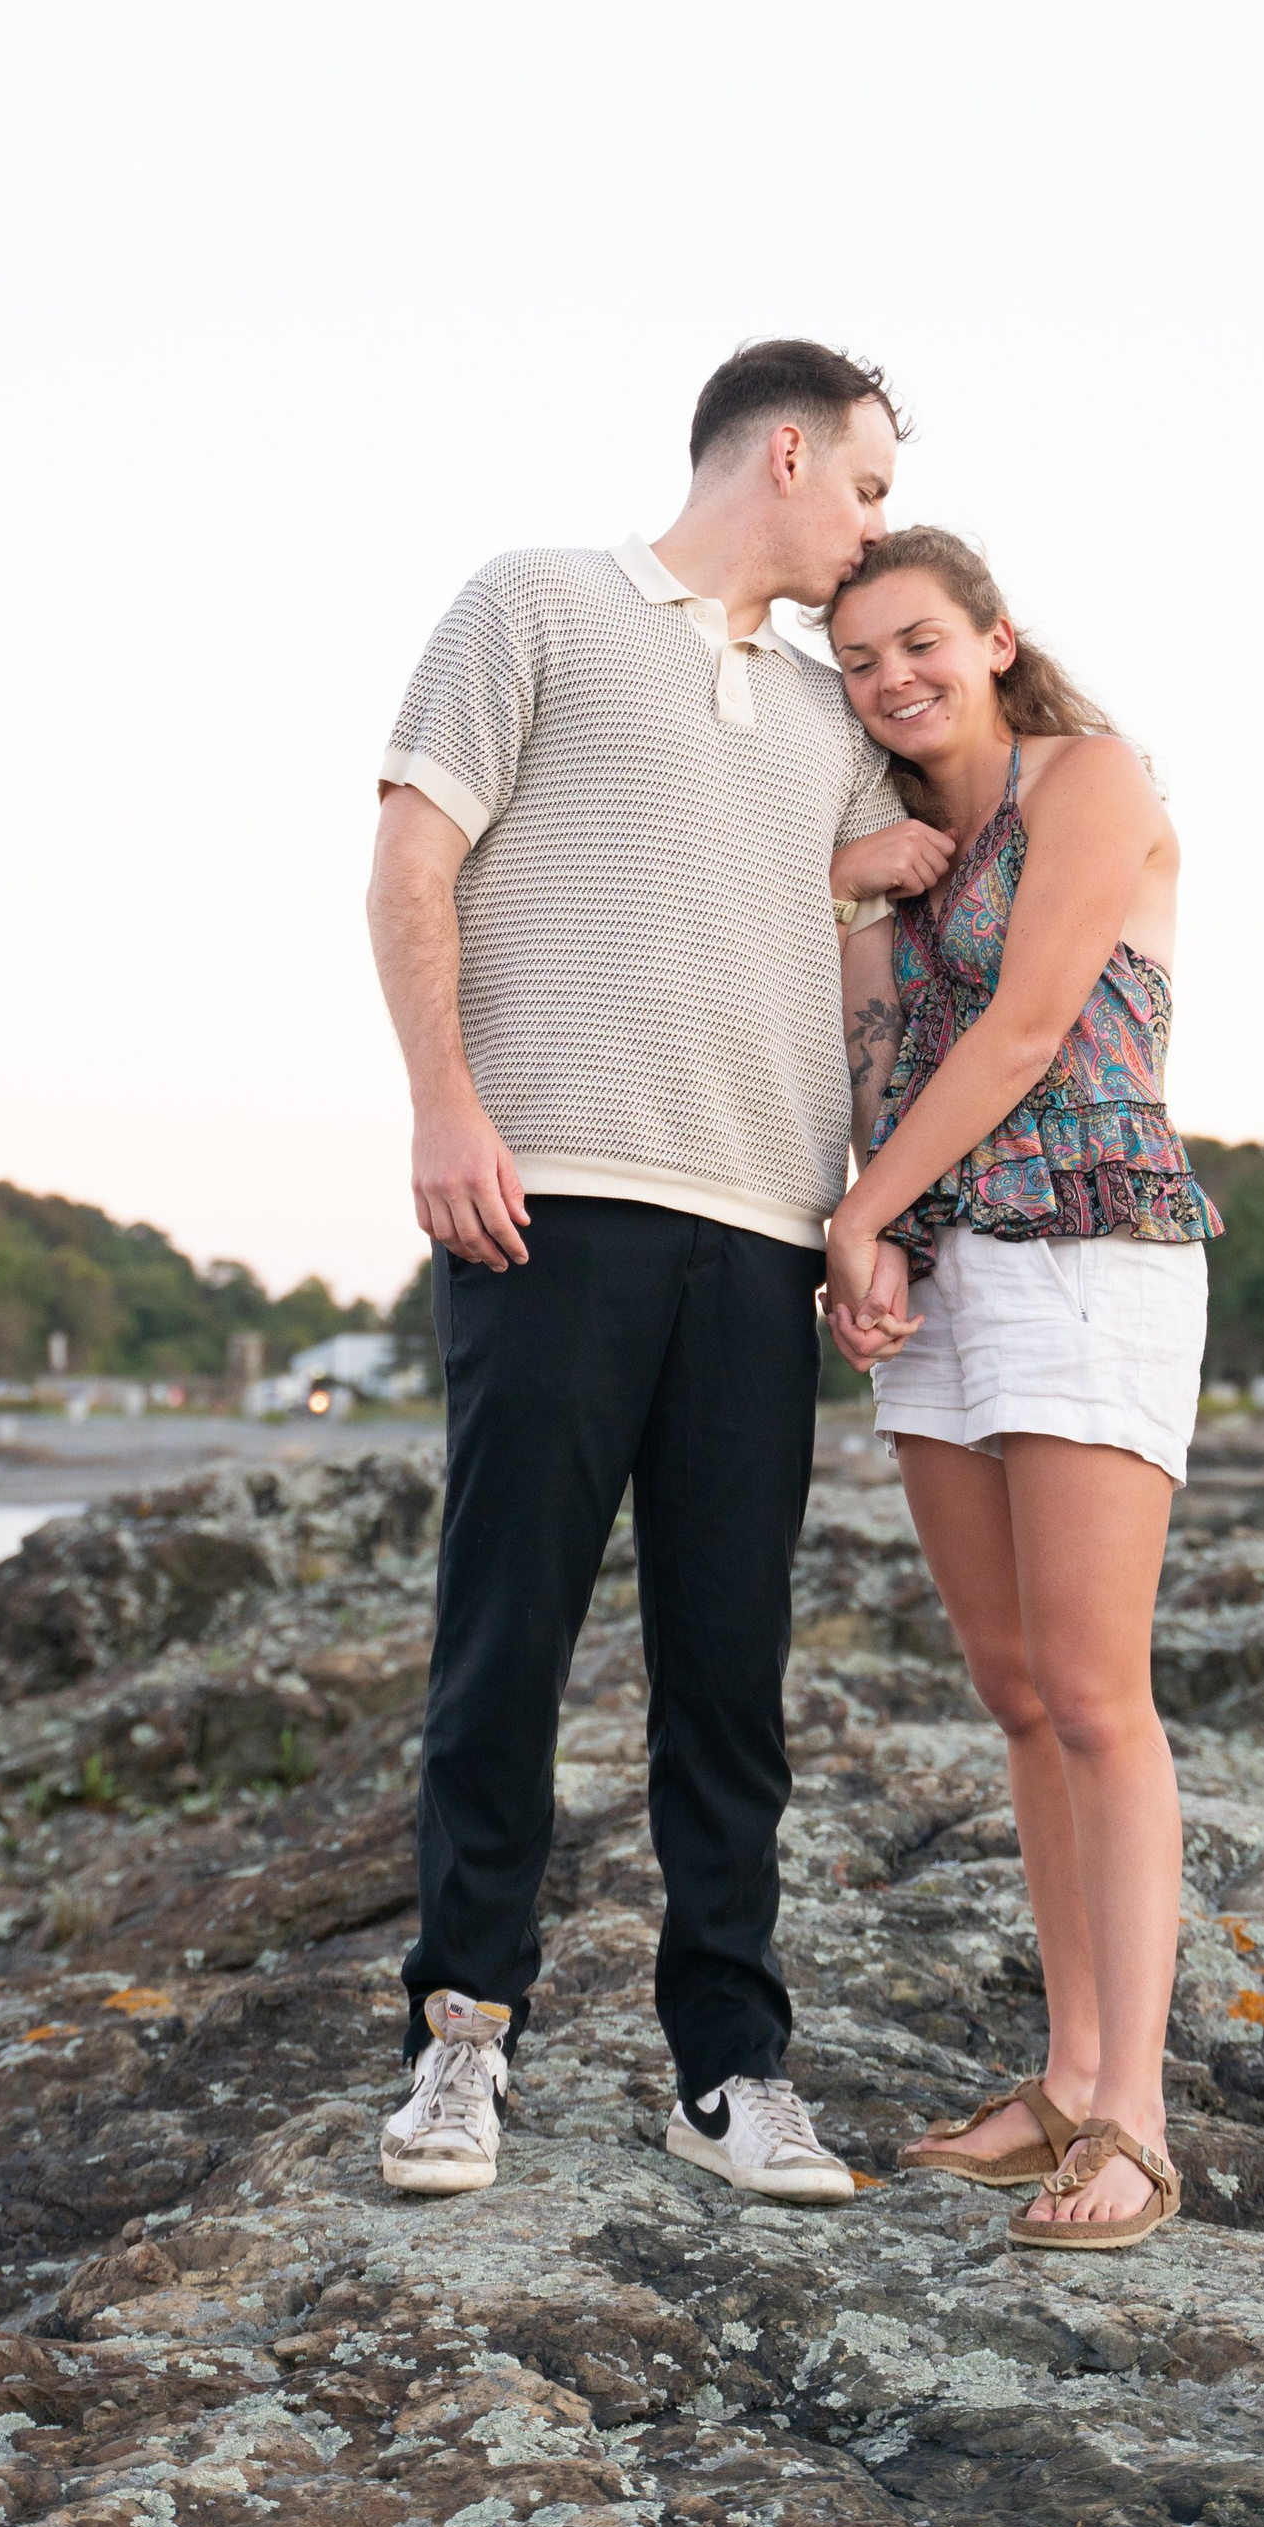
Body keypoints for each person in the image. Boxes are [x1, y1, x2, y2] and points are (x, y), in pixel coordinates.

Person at [365, 340, 950, 2209]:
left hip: (762, 1233)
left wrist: (868, 1204)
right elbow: (409, 864)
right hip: (550, 1199)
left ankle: (732, 2067)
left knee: (729, 1668)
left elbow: (860, 957)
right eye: (864, 486)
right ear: (785, 452)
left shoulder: (828, 711)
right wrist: (443, 1103)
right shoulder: (531, 603)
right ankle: (464, 2038)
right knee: (505, 1634)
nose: (874, 527)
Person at [820, 529, 1222, 2251]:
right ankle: (1062, 2077)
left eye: (917, 640)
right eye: (856, 660)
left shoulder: (1092, 777)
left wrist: (857, 1211)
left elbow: (1028, 1025)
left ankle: (1134, 2118)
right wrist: (885, 1228)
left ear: (991, 637)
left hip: (1091, 1245)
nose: (892, 676)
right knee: (1009, 1686)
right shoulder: (895, 852)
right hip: (957, 1269)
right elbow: (879, 1055)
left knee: (1092, 1682)